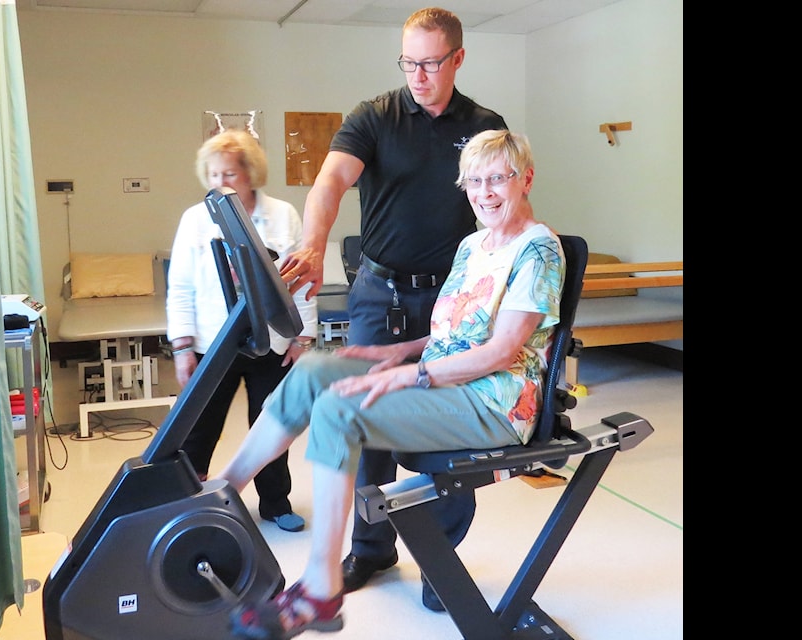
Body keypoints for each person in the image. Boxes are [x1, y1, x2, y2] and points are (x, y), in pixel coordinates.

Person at [222, 129, 565, 638]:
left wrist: (413, 373)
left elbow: (500, 351)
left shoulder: (539, 250)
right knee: (315, 369)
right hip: (447, 379)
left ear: (525, 180)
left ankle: (319, 587)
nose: (484, 192)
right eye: (474, 181)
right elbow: (454, 332)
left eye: (498, 179)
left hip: (494, 401)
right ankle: (224, 492)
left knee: (341, 410)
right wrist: (398, 351)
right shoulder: (473, 245)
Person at [277, 7, 508, 608]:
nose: (418, 75)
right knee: (366, 421)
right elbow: (329, 183)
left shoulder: (483, 125)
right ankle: (371, 548)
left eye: (430, 63)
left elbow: (501, 199)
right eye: (409, 62)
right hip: (379, 294)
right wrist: (313, 241)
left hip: (448, 299)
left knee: (450, 427)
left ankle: (439, 559)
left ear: (457, 59)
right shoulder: (373, 117)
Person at [166, 129, 318, 532]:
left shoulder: (283, 214)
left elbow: (301, 279)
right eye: (213, 175)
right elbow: (179, 285)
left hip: (272, 340)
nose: (220, 183)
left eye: (229, 174)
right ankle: (188, 501)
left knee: (271, 423)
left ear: (250, 174)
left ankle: (274, 504)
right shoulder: (195, 219)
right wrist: (182, 347)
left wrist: (303, 338)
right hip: (214, 342)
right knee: (199, 428)